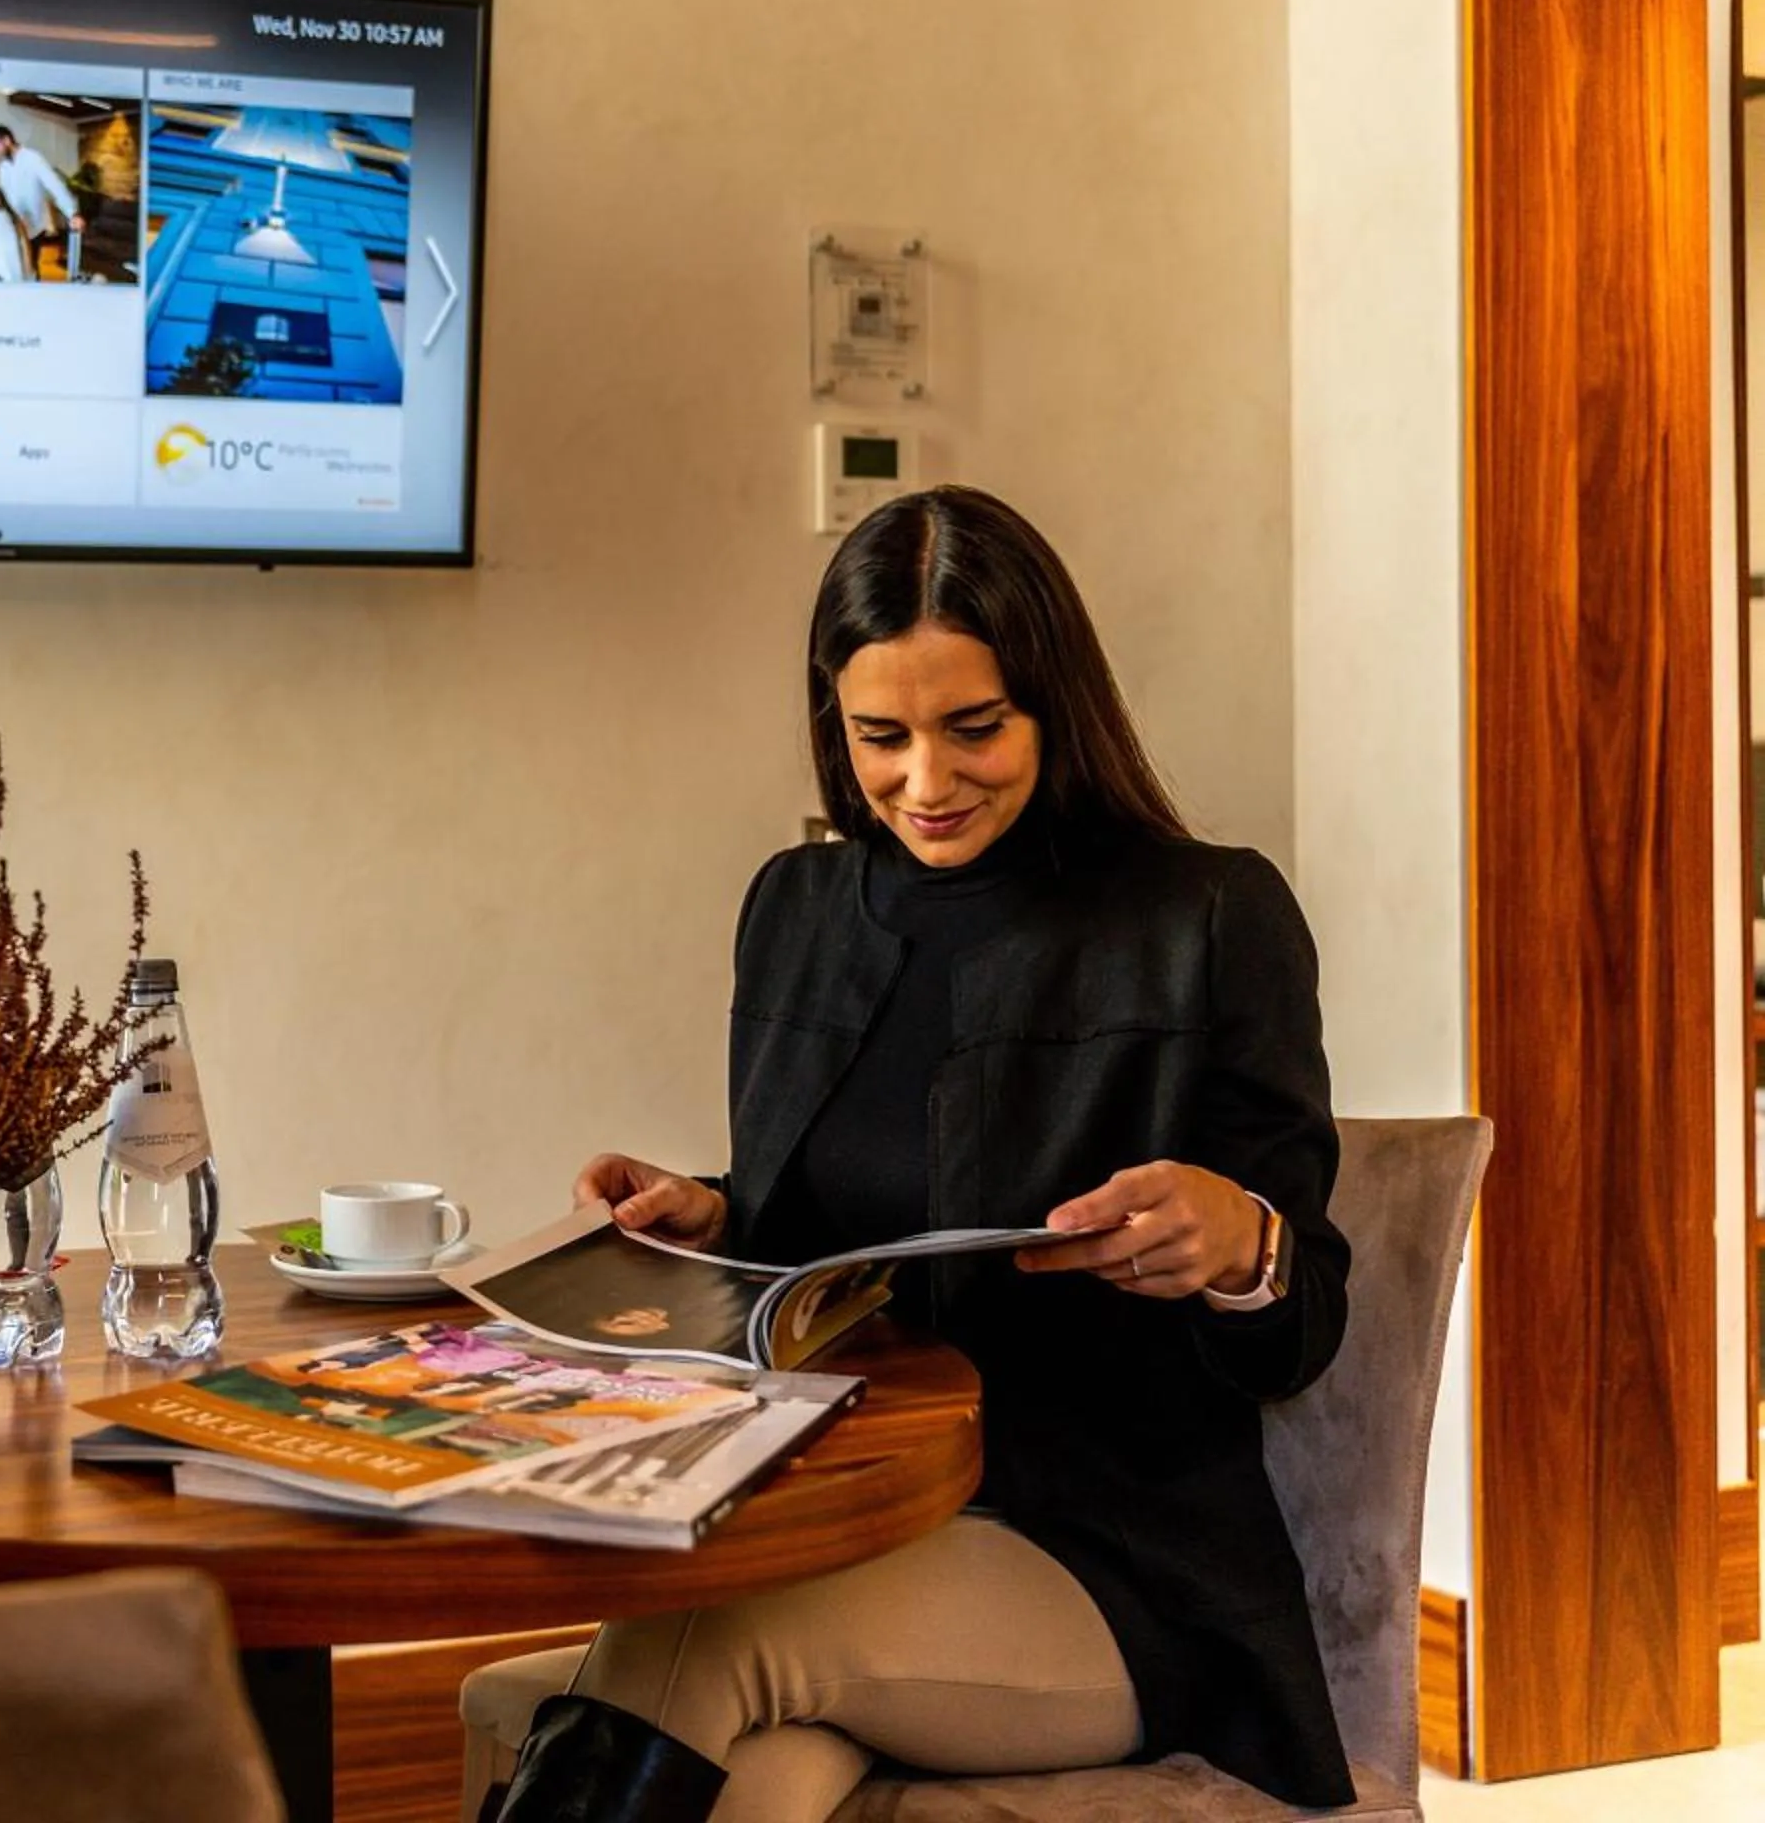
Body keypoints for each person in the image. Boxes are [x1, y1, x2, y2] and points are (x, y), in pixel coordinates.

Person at [492, 487, 1354, 1823]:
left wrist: (1238, 1242)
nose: (926, 783)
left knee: (699, 1637)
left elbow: (1303, 1326)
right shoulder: (795, 908)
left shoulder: (1207, 915)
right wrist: (715, 1213)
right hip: (840, 1509)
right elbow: (822, 1223)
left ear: (1055, 704)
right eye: (879, 736)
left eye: (975, 730)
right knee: (743, 1781)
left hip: (1106, 1555)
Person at [0, 122, 84, 276]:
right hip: (14, 226)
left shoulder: (32, 158)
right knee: (11, 269)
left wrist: (72, 213)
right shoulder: (3, 168)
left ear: (7, 140)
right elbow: (5, 197)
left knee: (30, 270)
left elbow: (54, 184)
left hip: (33, 228)